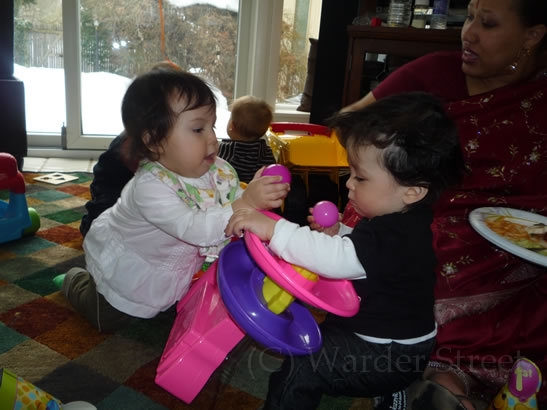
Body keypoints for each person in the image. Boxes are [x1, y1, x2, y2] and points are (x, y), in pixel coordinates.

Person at [341, 0, 547, 408]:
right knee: (422, 251)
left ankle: (458, 381)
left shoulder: (539, 97)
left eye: (487, 23)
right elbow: (349, 123)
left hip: (520, 229)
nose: (468, 33)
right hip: (423, 207)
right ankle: (439, 373)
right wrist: (408, 160)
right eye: (469, 17)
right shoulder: (434, 72)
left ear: (532, 35)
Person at [225, 92, 466, 409]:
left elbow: (339, 260)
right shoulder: (400, 221)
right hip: (382, 339)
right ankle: (386, 391)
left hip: (387, 355)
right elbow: (369, 256)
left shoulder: (396, 232)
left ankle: (385, 388)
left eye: (360, 177)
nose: (349, 183)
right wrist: (341, 232)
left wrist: (275, 230)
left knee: (303, 366)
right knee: (324, 332)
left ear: (412, 191)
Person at [56, 69, 290, 332]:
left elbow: (230, 201)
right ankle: (75, 281)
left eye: (212, 126)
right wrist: (246, 203)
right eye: (198, 129)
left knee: (167, 310)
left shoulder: (217, 169)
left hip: (170, 268)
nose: (212, 138)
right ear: (154, 141)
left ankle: (159, 298)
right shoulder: (149, 187)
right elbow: (196, 229)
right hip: (131, 271)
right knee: (108, 317)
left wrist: (256, 198)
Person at [217, 95, 276, 183]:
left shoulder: (227, 149)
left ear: (232, 126)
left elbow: (215, 170)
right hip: (258, 191)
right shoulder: (266, 152)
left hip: (232, 190)